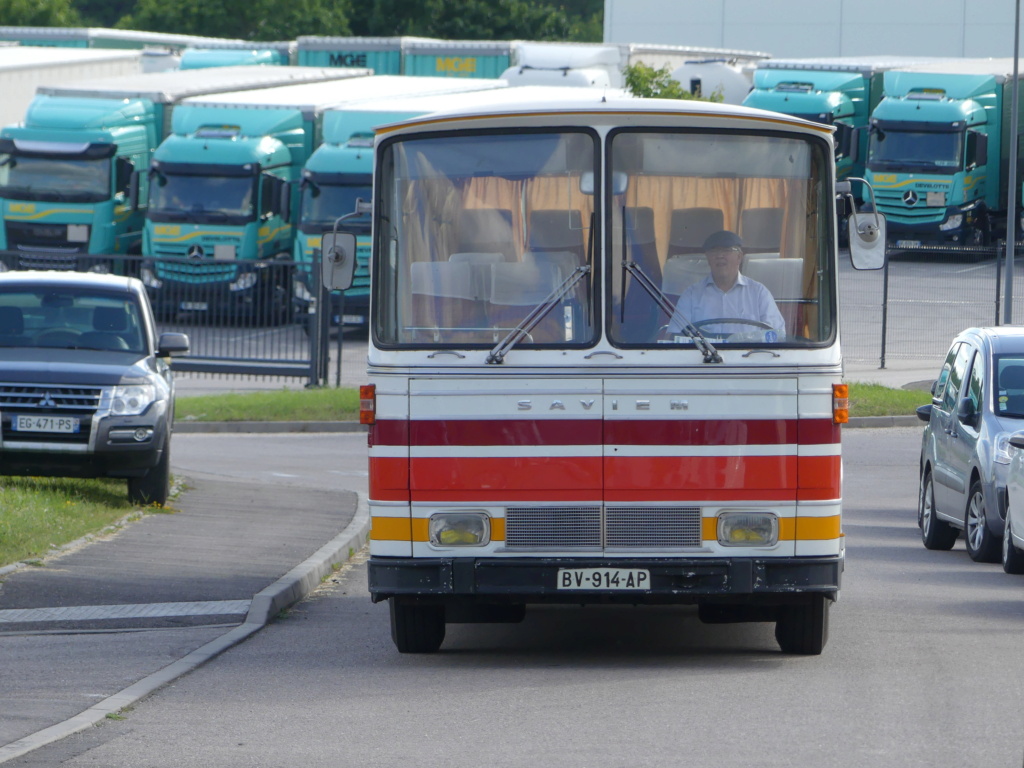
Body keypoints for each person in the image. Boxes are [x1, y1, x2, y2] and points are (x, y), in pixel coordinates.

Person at [667, 229, 785, 339]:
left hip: (748, 358)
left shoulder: (759, 293)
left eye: (726, 250)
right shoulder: (691, 294)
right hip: (704, 358)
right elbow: (677, 335)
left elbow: (777, 335)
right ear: (707, 258)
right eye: (714, 251)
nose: (720, 256)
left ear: (739, 257)